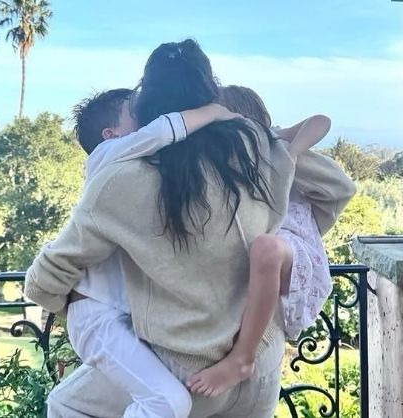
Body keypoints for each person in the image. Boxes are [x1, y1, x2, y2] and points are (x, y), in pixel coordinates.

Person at [25, 39, 352, 418]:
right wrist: (284, 159)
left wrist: (84, 310)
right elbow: (338, 187)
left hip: (184, 370)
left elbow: (44, 281)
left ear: (149, 105)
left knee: (65, 404)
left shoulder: (120, 178)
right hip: (261, 360)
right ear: (210, 94)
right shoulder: (254, 149)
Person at [64, 87, 241, 418]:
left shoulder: (135, 169)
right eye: (134, 111)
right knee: (168, 401)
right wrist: (215, 112)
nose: (145, 115)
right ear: (110, 135)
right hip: (97, 317)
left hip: (118, 316)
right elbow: (161, 130)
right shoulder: (103, 157)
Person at [187, 85, 355, 396]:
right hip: (271, 249)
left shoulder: (274, 146)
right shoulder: (224, 164)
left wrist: (290, 153)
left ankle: (243, 358)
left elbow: (321, 121)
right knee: (262, 248)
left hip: (293, 248)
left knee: (266, 248)